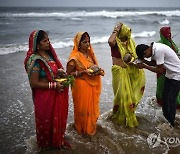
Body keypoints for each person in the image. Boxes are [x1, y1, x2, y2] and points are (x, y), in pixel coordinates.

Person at [24, 30, 71, 150]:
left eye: (48, 40)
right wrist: (53, 86)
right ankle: (46, 147)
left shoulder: (49, 56)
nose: (48, 42)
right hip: (44, 98)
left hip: (56, 94)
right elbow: (34, 83)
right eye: (45, 41)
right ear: (37, 44)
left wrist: (59, 72)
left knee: (57, 120)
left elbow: (53, 73)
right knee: (46, 122)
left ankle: (57, 141)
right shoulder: (35, 61)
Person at [108, 23, 145, 127]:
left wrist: (132, 59)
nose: (127, 37)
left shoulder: (130, 43)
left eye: (128, 35)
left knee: (130, 96)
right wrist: (116, 30)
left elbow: (135, 57)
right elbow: (110, 41)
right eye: (125, 34)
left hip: (129, 72)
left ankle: (128, 117)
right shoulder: (116, 43)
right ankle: (119, 118)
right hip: (119, 73)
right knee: (120, 96)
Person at [66, 32, 103, 135]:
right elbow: (67, 74)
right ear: (78, 43)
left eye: (88, 42)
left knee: (91, 110)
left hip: (91, 85)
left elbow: (93, 67)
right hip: (80, 86)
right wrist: (83, 72)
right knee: (82, 110)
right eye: (84, 42)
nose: (87, 44)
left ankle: (90, 129)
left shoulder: (90, 54)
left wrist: (99, 71)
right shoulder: (74, 58)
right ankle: (81, 130)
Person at [136, 42, 180, 127]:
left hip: (177, 74)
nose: (147, 58)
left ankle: (171, 122)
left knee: (171, 98)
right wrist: (143, 61)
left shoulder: (159, 50)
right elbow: (154, 63)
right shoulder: (153, 49)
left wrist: (144, 66)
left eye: (145, 56)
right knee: (164, 97)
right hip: (170, 73)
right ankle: (168, 118)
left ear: (146, 51)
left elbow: (160, 70)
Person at [156, 26, 180, 108]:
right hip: (162, 69)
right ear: (162, 35)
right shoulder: (159, 44)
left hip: (172, 69)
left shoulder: (172, 43)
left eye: (170, 33)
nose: (169, 35)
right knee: (162, 87)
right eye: (167, 33)